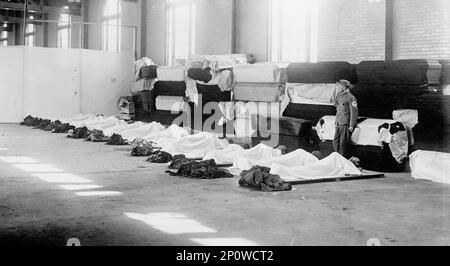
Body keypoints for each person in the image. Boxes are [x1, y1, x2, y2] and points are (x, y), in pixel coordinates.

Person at [333, 80, 358, 158]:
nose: (338, 88)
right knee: (335, 142)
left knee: (342, 144)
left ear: (343, 87)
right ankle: (337, 158)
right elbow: (337, 108)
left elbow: (354, 113)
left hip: (345, 125)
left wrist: (351, 125)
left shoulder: (351, 98)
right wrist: (336, 122)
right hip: (338, 123)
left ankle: (341, 160)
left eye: (339, 87)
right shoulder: (339, 96)